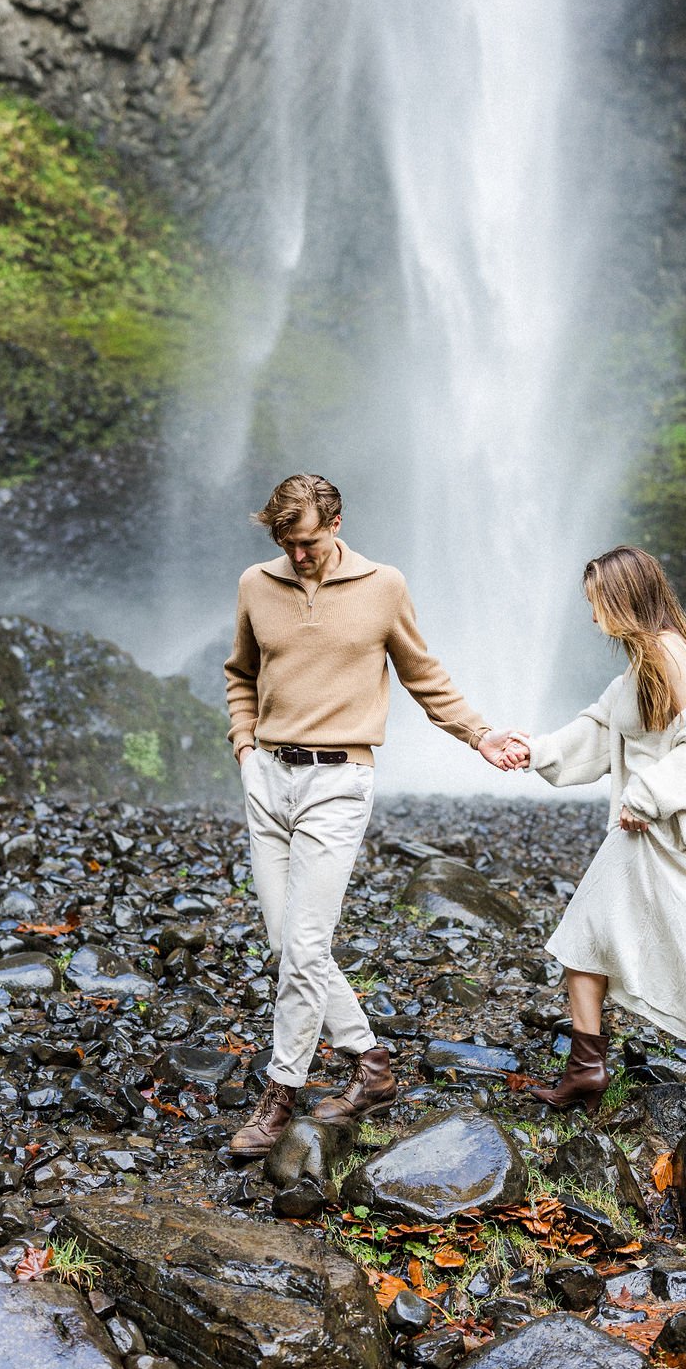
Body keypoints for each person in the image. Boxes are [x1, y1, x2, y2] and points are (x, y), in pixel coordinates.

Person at [224, 473, 515, 1156]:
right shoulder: (254, 584)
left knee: (302, 947)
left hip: (338, 779)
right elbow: (239, 672)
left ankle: (279, 1095)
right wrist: (243, 746)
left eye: (308, 541)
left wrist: (480, 735)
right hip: (266, 776)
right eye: (286, 543)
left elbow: (424, 676)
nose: (298, 555)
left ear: (336, 522)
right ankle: (371, 1064)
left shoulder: (384, 585)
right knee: (288, 946)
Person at [504, 545, 686, 1150]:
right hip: (643, 831)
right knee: (584, 937)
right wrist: (534, 750)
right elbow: (598, 732)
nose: (592, 614)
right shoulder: (638, 665)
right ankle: (588, 1068)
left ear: (623, 598)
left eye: (596, 600)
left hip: (675, 832)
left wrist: (648, 795)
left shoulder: (669, 650)